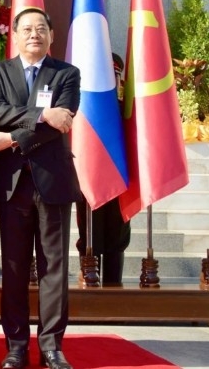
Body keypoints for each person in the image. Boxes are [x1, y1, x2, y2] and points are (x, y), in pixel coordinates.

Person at [0, 8, 81, 369]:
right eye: (27, 29)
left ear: (51, 35)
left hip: (53, 181)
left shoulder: (66, 73)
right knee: (14, 267)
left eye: (41, 29)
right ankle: (16, 346)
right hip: (12, 183)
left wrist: (13, 136)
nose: (34, 34)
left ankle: (52, 347)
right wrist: (41, 114)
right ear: (15, 35)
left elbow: (61, 122)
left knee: (54, 267)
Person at [75, 52, 130, 286]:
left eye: (114, 75)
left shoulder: (126, 109)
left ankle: (114, 288)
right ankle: (90, 286)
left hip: (119, 180)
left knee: (117, 236)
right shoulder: (83, 108)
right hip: (90, 179)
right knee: (90, 235)